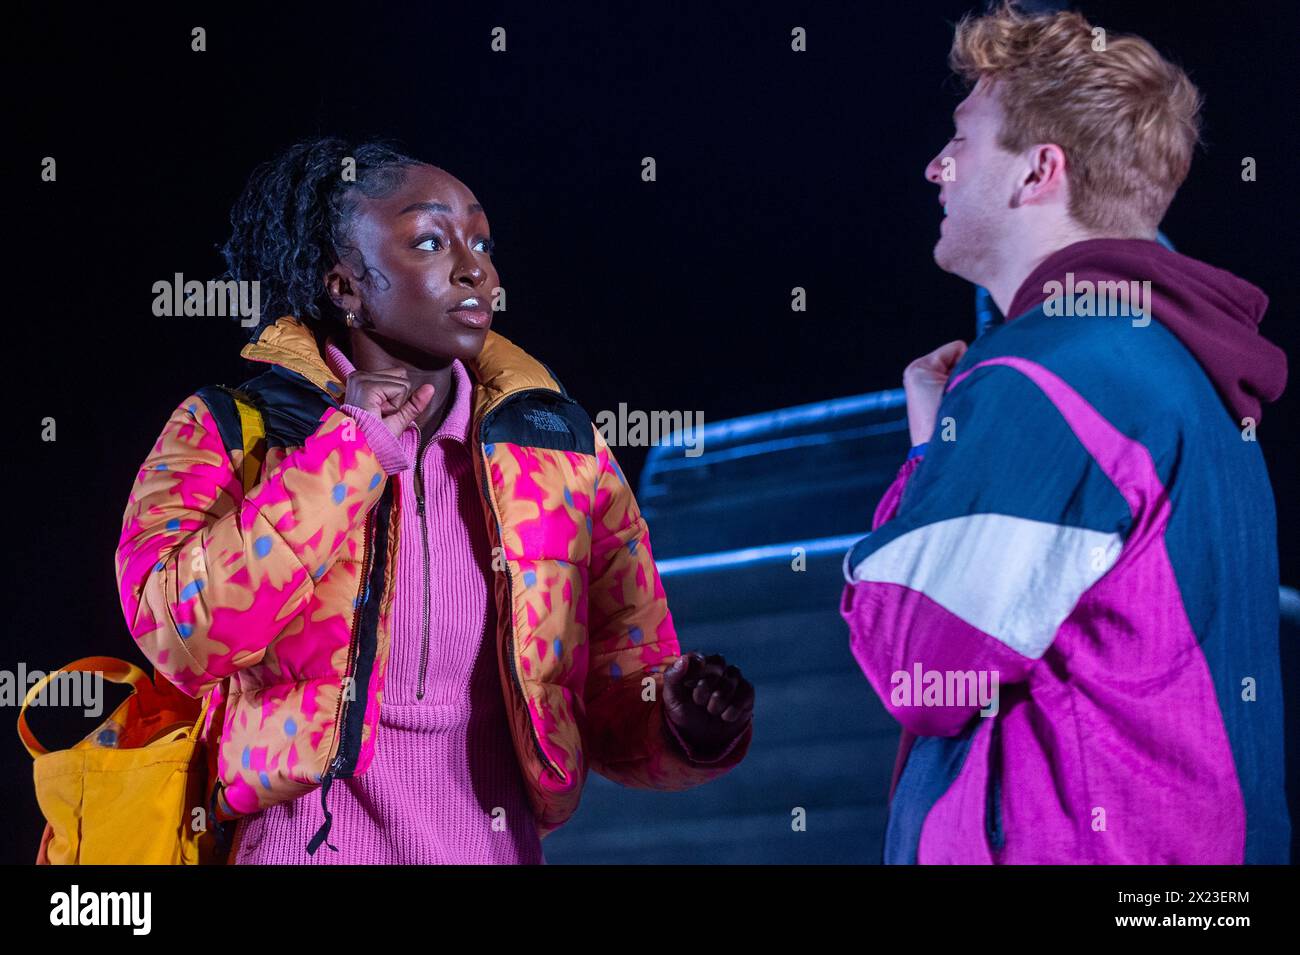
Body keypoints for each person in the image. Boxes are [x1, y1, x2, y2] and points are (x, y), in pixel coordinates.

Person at [115, 138, 754, 864]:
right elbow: (180, 631)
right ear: (343, 286)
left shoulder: (562, 455)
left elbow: (618, 682)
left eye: (481, 241)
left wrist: (679, 716)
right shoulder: (234, 429)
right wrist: (349, 457)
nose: (474, 267)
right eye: (429, 240)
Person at [841, 2, 1289, 863]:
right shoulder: (1180, 372)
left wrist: (930, 459)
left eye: (962, 138)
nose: (937, 166)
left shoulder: (1047, 372)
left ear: (1037, 172)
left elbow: (919, 664)